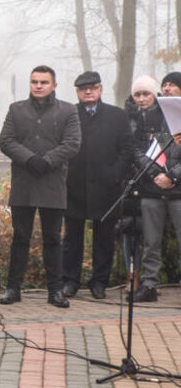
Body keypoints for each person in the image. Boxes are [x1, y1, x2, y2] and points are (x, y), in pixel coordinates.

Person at [0, 65, 81, 308]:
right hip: (24, 182)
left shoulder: (67, 110)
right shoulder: (16, 109)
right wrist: (29, 158)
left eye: (44, 82)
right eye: (34, 81)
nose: (38, 85)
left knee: (53, 238)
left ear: (54, 85)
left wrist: (47, 161)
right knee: (20, 238)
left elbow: (73, 143)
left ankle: (55, 291)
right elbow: (6, 140)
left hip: (52, 183)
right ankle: (13, 288)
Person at [61, 71, 131, 300]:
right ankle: (70, 281)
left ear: (100, 89)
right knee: (72, 239)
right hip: (74, 187)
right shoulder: (68, 114)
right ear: (77, 93)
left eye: (92, 87)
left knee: (104, 239)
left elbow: (126, 150)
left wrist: (115, 174)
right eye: (83, 89)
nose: (88, 92)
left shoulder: (117, 116)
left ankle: (99, 282)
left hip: (106, 188)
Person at [130, 74, 179, 302]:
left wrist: (173, 177)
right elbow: (138, 150)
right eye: (165, 85)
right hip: (152, 190)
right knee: (151, 242)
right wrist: (156, 174)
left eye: (173, 85)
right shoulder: (149, 117)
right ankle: (149, 285)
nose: (168, 89)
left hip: (178, 192)